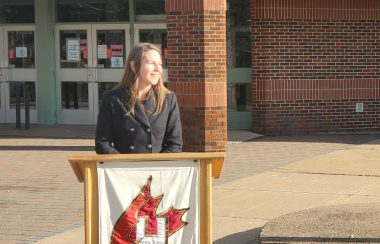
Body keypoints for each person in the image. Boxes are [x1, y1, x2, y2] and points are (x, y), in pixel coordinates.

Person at [95, 43, 182, 154]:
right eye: (152, 63)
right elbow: (102, 144)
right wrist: (125, 165)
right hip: (124, 168)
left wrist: (158, 165)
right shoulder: (112, 99)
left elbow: (175, 144)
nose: (158, 69)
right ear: (134, 66)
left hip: (157, 168)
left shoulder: (168, 99)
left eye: (160, 64)